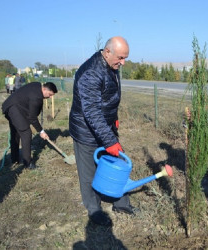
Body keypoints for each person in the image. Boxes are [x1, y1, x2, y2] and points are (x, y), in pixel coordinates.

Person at [69, 36, 134, 226]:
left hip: (106, 127)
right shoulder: (91, 72)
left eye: (125, 58)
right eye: (120, 58)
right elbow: (91, 112)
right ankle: (95, 210)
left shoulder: (111, 65)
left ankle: (121, 203)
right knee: (88, 172)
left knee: (119, 163)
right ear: (107, 52)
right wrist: (110, 141)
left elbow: (107, 98)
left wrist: (113, 121)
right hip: (85, 130)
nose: (122, 63)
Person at [2, 82, 58, 169]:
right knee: (26, 133)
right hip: (13, 108)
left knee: (16, 133)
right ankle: (28, 163)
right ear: (44, 89)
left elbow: (31, 109)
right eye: (50, 94)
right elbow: (32, 117)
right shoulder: (36, 97)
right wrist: (41, 131)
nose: (50, 97)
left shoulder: (37, 85)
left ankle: (15, 159)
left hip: (12, 105)